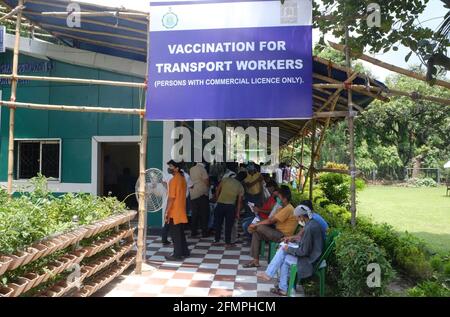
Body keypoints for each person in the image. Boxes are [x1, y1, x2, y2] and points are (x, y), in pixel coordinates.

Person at [257, 204, 325, 296]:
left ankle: (270, 275)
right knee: (283, 252)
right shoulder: (311, 223)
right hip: (311, 255)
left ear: (301, 217)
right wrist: (291, 245)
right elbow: (305, 244)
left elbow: (303, 252)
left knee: (283, 252)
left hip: (310, 260)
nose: (297, 220)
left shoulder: (309, 228)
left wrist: (289, 249)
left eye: (297, 217)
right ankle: (280, 285)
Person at [243, 185, 297, 268]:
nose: (277, 199)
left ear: (285, 199)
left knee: (259, 227)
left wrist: (255, 225)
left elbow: (270, 221)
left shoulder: (288, 209)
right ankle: (255, 261)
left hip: (284, 236)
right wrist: (255, 225)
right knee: (256, 232)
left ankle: (253, 228)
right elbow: (271, 218)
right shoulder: (282, 208)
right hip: (276, 232)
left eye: (279, 197)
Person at [164, 160, 190, 261]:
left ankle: (177, 254)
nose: (169, 168)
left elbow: (171, 198)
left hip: (174, 212)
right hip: (181, 210)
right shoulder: (182, 179)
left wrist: (166, 211)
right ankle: (185, 252)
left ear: (177, 168)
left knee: (175, 235)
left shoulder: (173, 180)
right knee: (180, 233)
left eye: (171, 166)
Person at [213, 171, 246, 247]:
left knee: (218, 224)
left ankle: (216, 240)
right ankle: (227, 243)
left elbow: (217, 190)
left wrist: (218, 200)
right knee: (228, 225)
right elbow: (239, 202)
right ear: (243, 179)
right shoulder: (240, 186)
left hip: (220, 205)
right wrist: (238, 213)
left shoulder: (225, 179)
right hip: (230, 207)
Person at [189, 162, 210, 238]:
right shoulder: (202, 169)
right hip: (202, 194)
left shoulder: (191, 169)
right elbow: (206, 181)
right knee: (204, 214)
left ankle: (193, 232)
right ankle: (204, 233)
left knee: (194, 214)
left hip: (193, 194)